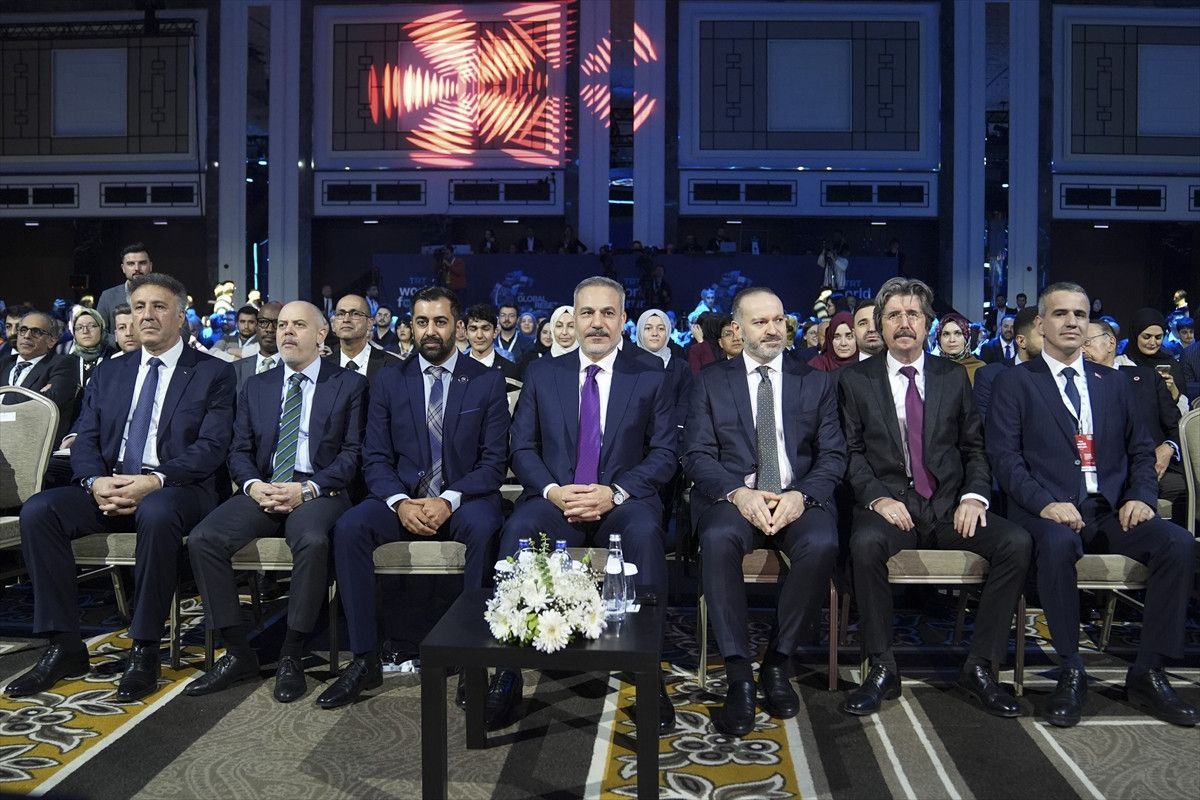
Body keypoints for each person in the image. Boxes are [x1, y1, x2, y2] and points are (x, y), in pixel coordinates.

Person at [6, 274, 235, 702]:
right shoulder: (111, 371)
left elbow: (212, 446)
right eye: (139, 307)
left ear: (180, 316)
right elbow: (86, 436)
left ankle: (144, 649)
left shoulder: (213, 372)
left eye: (159, 306)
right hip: (112, 483)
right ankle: (64, 645)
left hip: (179, 487)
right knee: (39, 511)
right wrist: (95, 481)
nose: (146, 315)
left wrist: (153, 481)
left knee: (157, 510)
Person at [987, 283, 1197, 728]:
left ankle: (1148, 671)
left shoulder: (1114, 383)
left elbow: (1142, 451)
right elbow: (1005, 459)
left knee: (1178, 544)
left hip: (1109, 509)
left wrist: (1141, 497)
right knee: (1059, 544)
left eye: (1079, 315)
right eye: (1060, 314)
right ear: (1040, 324)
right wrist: (1045, 504)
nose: (1071, 322)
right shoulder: (1015, 381)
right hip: (1045, 512)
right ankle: (1071, 668)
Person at [491, 276, 678, 734]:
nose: (597, 323)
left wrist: (615, 492)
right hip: (558, 499)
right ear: (573, 319)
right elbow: (522, 448)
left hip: (623, 500)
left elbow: (665, 453)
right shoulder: (543, 373)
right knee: (517, 529)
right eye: (588, 313)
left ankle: (648, 673)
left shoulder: (650, 374)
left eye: (608, 313)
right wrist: (553, 491)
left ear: (623, 320)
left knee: (645, 534)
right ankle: (507, 672)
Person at [838, 277, 1030, 718]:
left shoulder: (952, 376)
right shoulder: (855, 379)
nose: (904, 323)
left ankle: (980, 667)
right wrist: (877, 499)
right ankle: (881, 666)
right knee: (864, 544)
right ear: (881, 326)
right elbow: (850, 452)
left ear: (927, 324)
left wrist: (974, 496)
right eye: (893, 315)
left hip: (948, 506)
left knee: (1016, 543)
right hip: (890, 505)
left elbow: (974, 448)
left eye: (913, 314)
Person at [317, 286, 509, 709]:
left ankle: (471, 659)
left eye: (440, 321)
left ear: (458, 326)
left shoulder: (487, 380)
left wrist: (449, 500)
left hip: (464, 498)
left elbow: (494, 462)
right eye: (422, 322)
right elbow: (375, 457)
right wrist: (400, 503)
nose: (430, 331)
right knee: (349, 527)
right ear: (412, 326)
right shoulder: (389, 380)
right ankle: (364, 658)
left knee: (486, 528)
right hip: (402, 498)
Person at [186, 302, 367, 703]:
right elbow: (238, 450)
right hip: (265, 487)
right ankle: (238, 652)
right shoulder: (257, 386)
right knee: (203, 539)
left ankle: (291, 653)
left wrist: (309, 489)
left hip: (320, 490)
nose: (286, 332)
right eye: (283, 325)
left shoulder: (349, 384)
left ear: (321, 334)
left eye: (298, 325)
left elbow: (352, 455)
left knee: (313, 541)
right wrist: (252, 485)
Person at [684, 287, 845, 735]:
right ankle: (739, 674)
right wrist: (738, 493)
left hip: (796, 495)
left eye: (778, 320)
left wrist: (801, 496)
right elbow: (696, 454)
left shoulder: (814, 380)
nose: (773, 329)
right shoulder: (711, 381)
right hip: (735, 498)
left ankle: (777, 661)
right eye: (760, 322)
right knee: (717, 538)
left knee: (822, 541)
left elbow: (833, 455)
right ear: (737, 329)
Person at [1082, 318, 1187, 524]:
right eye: (1077, 345)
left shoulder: (1146, 378)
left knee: (1182, 487)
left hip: (1150, 466)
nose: (1081, 350)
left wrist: (1168, 448)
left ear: (1110, 343)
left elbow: (1176, 426)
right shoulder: (1074, 384)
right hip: (1097, 470)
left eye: (1086, 342)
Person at [1, 310, 81, 443]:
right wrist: (34, 395)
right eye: (23, 330)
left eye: (36, 332)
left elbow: (45, 405)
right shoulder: (4, 363)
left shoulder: (63, 364)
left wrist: (3, 404)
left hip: (33, 442)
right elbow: (36, 400)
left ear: (52, 341)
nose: (27, 336)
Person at [974, 307, 1041, 421]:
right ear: (1021, 341)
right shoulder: (989, 376)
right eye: (1043, 336)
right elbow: (988, 423)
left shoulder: (1060, 375)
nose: (1051, 342)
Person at [1124, 308, 1185, 408]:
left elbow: (1184, 410)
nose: (1153, 342)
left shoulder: (1172, 364)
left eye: (1158, 337)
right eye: (1146, 337)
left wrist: (1174, 391)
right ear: (1135, 335)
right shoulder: (1123, 363)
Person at [326, 295, 395, 380]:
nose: (346, 319)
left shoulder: (393, 366)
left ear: (369, 323)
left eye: (355, 314)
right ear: (333, 325)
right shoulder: (323, 366)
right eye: (340, 314)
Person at [95, 243, 153, 337]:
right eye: (131, 264)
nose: (137, 268)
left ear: (150, 266)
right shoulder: (107, 296)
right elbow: (100, 332)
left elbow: (176, 328)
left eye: (142, 263)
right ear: (123, 268)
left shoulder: (164, 295)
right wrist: (122, 341)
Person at [464, 303, 521, 390]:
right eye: (473, 329)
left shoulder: (511, 370)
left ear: (495, 332)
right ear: (466, 333)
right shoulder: (455, 367)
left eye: (485, 329)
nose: (479, 335)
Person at [233, 302, 283, 391]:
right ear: (256, 326)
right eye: (263, 322)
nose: (269, 329)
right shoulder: (235, 369)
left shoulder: (295, 368)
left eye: (277, 323)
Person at [64, 307, 114, 388]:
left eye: (92, 326)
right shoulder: (67, 363)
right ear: (74, 333)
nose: (85, 331)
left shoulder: (113, 357)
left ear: (101, 329)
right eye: (79, 327)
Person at [936, 312, 985, 384]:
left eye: (958, 333)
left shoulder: (980, 368)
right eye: (946, 334)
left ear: (966, 337)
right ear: (939, 339)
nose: (952, 340)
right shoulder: (931, 368)